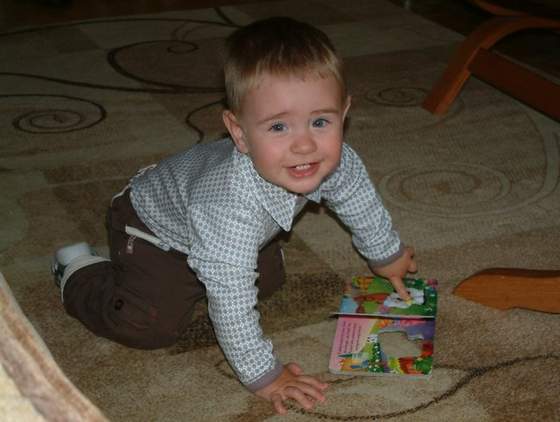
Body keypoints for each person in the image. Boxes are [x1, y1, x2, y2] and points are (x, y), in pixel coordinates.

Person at [51, 16, 417, 415]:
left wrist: (386, 254)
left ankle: (235, 257)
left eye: (320, 121)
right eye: (278, 127)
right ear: (239, 133)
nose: (305, 145)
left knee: (267, 283)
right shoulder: (226, 207)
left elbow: (358, 199)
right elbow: (229, 301)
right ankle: (78, 269)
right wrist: (265, 375)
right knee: (150, 325)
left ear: (344, 114)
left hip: (227, 225)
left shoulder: (335, 159)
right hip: (153, 231)